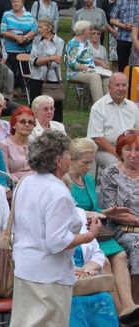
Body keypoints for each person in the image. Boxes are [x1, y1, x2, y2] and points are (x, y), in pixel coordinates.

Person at [10, 129, 101, 326]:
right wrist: (90, 235)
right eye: (68, 154)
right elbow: (57, 242)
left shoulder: (25, 182)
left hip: (24, 267)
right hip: (49, 275)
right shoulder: (57, 191)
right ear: (59, 160)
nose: (71, 158)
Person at [64, 137, 139, 320]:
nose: (89, 166)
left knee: (120, 255)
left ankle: (129, 306)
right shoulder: (65, 181)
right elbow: (69, 210)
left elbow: (95, 210)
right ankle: (120, 314)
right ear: (71, 160)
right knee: (104, 260)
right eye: (85, 162)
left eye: (91, 162)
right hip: (79, 233)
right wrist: (90, 214)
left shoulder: (87, 180)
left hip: (98, 231)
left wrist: (107, 211)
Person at [100, 130, 139, 322]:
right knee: (137, 244)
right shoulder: (111, 173)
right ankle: (131, 306)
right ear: (120, 151)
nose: (133, 154)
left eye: (138, 149)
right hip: (120, 227)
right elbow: (112, 210)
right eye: (128, 149)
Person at [87, 72, 139, 170]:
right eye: (117, 85)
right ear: (109, 87)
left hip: (131, 147)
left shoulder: (133, 106)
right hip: (107, 150)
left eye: (124, 85)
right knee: (117, 165)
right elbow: (98, 138)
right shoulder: (98, 107)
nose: (121, 88)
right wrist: (118, 154)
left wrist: (132, 151)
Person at [28, 18, 65, 122]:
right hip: (36, 77)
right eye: (38, 27)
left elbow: (55, 63)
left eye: (41, 27)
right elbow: (33, 60)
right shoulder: (36, 40)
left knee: (53, 106)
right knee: (35, 105)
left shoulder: (59, 42)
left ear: (49, 28)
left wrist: (43, 60)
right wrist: (51, 57)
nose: (38, 30)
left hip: (52, 78)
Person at [66, 20, 110, 103]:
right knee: (95, 77)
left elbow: (89, 59)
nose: (90, 32)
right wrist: (86, 68)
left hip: (89, 70)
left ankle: (108, 104)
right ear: (83, 31)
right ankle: (99, 106)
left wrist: (99, 65)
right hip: (74, 72)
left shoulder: (85, 43)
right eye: (89, 30)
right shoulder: (74, 44)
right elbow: (72, 64)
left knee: (107, 76)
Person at [1, 0, 37, 90]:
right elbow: (3, 31)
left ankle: (25, 89)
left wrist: (25, 37)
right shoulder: (7, 15)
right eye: (13, 2)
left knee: (25, 70)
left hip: (25, 48)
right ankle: (13, 89)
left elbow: (34, 29)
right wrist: (16, 37)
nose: (15, 4)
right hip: (10, 48)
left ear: (22, 3)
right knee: (12, 71)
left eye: (18, 2)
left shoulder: (29, 15)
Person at [0, 106, 35, 182]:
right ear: (14, 125)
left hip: (36, 182)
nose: (27, 125)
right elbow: (5, 173)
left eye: (30, 122)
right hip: (16, 184)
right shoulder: (4, 145)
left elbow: (41, 167)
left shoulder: (35, 143)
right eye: (22, 121)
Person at [110, 0, 139, 71]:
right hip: (123, 38)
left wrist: (135, 27)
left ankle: (134, 85)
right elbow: (112, 20)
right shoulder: (120, 1)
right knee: (123, 67)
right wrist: (124, 26)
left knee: (136, 67)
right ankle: (123, 85)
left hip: (137, 40)